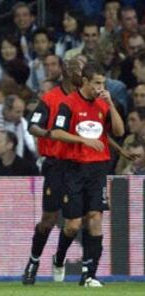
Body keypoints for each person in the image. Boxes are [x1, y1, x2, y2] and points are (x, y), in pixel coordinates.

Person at [51, 62, 124, 287]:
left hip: (97, 170)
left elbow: (120, 132)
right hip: (73, 168)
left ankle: (89, 274)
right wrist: (83, 140)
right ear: (85, 81)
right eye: (97, 83)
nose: (100, 88)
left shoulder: (103, 104)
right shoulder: (69, 103)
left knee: (95, 218)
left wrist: (111, 105)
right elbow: (56, 132)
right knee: (72, 225)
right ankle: (59, 258)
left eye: (103, 83)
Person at [22, 58, 81, 285]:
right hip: (55, 164)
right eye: (77, 68)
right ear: (66, 72)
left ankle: (60, 258)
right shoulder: (50, 99)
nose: (80, 73)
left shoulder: (85, 98)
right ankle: (33, 261)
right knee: (48, 219)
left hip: (78, 165)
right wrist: (50, 134)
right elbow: (32, 125)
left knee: (74, 223)